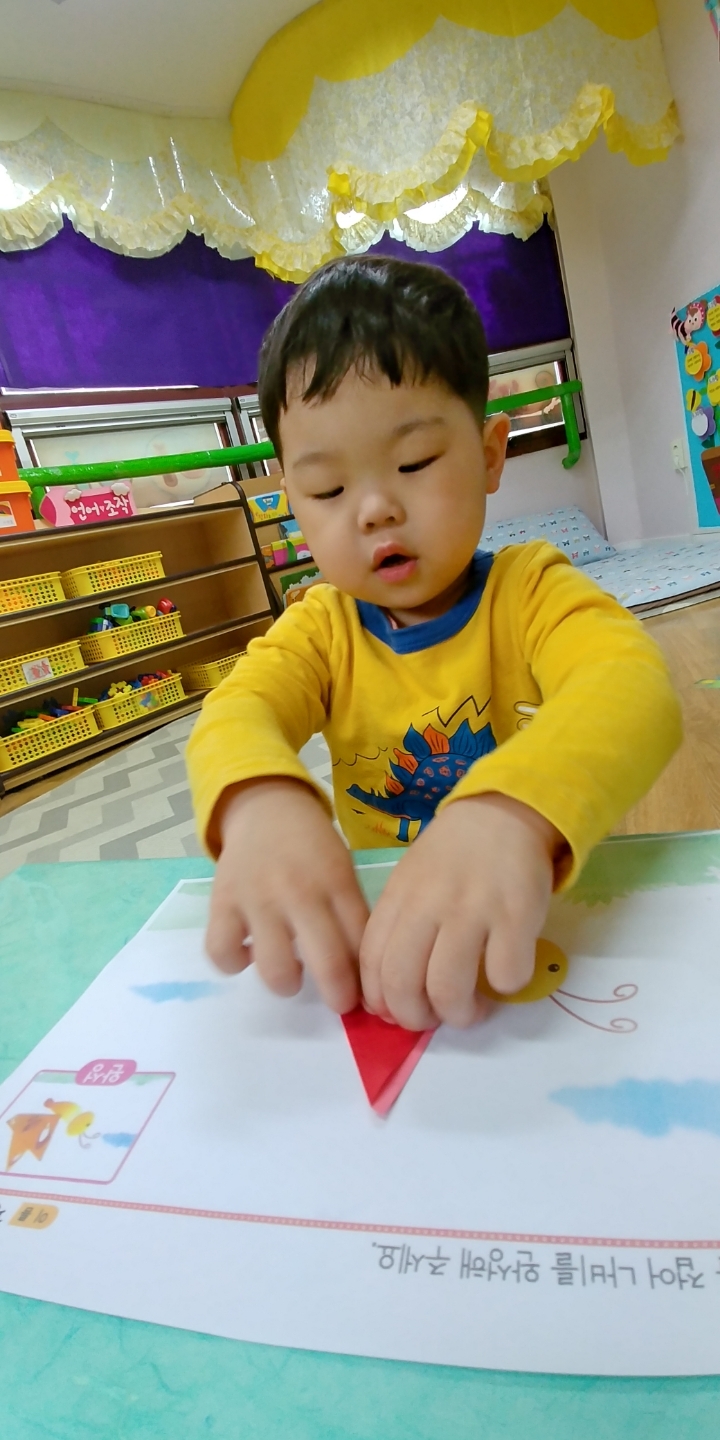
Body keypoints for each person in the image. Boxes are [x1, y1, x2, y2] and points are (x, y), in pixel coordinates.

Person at [187, 255, 682, 1033]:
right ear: (295, 507)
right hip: (396, 937)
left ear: (489, 456)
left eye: (413, 463)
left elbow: (633, 689)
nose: (375, 509)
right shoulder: (320, 630)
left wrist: (513, 811)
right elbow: (236, 712)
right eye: (328, 490)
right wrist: (257, 800)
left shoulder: (529, 591)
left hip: (549, 918)